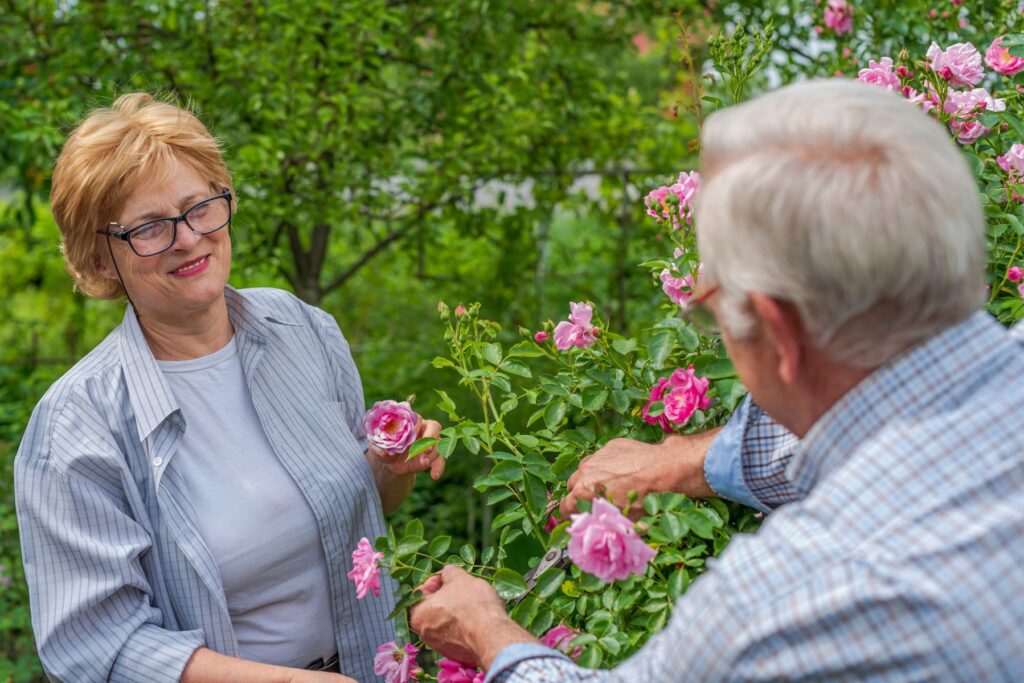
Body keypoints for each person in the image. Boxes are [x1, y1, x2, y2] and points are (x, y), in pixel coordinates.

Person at [408, 79, 1024, 680]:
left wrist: (487, 631)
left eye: (712, 310)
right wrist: (679, 462)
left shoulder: (788, 595)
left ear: (777, 330)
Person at [15, 93, 446, 682]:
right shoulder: (76, 426)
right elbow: (99, 646)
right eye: (149, 227)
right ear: (100, 258)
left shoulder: (301, 330)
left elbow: (351, 521)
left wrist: (390, 469)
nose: (188, 238)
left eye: (199, 207)